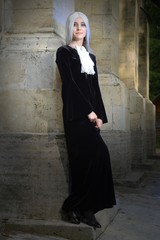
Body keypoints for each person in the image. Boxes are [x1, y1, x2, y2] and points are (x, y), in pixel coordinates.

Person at [56, 11, 116, 229]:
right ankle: (73, 205)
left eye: (83, 25)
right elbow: (71, 85)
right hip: (75, 116)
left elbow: (95, 89)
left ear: (87, 29)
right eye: (75, 24)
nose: (79, 28)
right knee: (88, 160)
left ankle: (85, 208)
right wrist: (88, 112)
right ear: (70, 28)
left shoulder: (90, 57)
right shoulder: (64, 53)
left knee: (97, 159)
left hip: (91, 116)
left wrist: (99, 115)